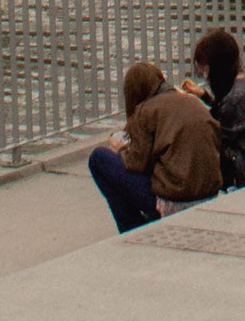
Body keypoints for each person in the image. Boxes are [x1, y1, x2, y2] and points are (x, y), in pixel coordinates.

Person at [88, 59, 222, 233]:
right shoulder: (193, 102)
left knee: (99, 159)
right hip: (209, 194)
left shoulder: (146, 110)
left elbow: (136, 164)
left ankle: (132, 229)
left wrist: (120, 148)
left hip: (175, 200)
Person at [185, 27, 245, 191]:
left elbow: (214, 134)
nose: (204, 73)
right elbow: (230, 115)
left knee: (199, 146)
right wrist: (204, 97)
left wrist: (185, 105)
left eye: (205, 68)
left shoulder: (237, 97)